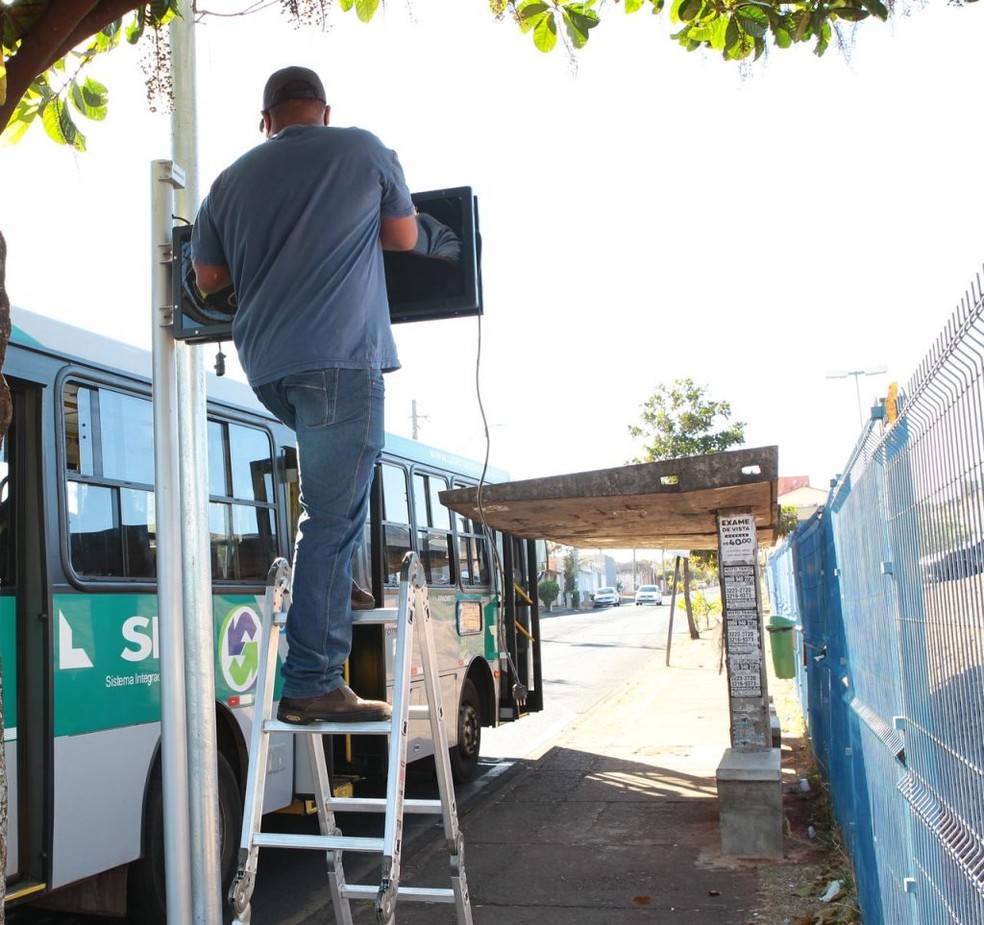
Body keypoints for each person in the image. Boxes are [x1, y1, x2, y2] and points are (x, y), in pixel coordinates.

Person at [191, 66, 418, 724]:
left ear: (266, 121)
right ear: (323, 110)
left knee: (328, 505)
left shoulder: (228, 182)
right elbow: (402, 237)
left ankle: (335, 586)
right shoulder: (362, 148)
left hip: (269, 368)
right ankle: (313, 680)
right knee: (333, 517)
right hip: (342, 361)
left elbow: (207, 280)